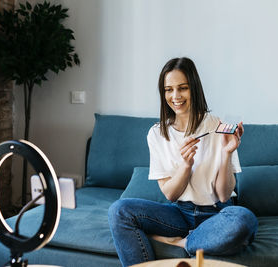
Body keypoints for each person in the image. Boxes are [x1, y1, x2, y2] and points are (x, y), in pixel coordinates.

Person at [108, 57, 258, 267]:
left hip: (218, 213)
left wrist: (226, 153)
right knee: (119, 211)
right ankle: (196, 241)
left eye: (183, 88)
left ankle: (187, 242)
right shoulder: (157, 134)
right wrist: (185, 166)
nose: (175, 96)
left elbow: (224, 194)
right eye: (169, 89)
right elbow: (170, 194)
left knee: (244, 219)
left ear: (194, 88)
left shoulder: (216, 125)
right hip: (180, 213)